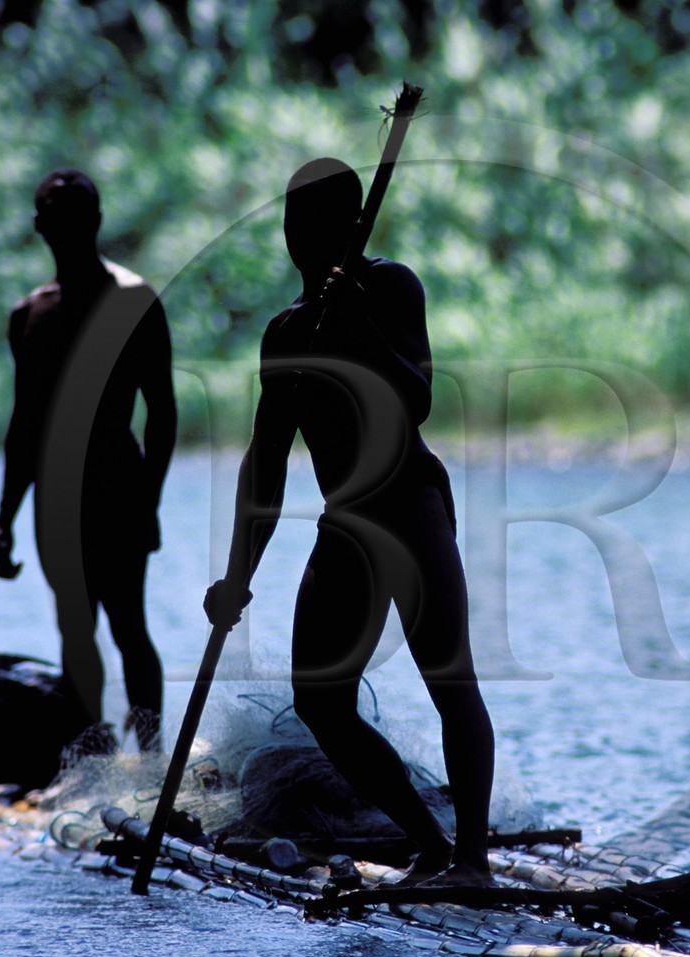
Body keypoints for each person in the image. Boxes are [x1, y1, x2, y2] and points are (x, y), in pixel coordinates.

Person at [204, 158, 495, 885]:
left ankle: (473, 861)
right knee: (322, 702)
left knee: (449, 677)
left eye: (316, 221)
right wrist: (236, 577)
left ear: (351, 224)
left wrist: (361, 327)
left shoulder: (392, 287)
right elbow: (265, 465)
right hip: (347, 521)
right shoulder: (286, 333)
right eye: (291, 220)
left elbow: (416, 398)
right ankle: (430, 842)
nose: (299, 235)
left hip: (411, 503)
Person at [0, 168, 176, 753]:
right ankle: (92, 755)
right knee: (75, 626)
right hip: (56, 494)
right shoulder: (29, 316)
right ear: (40, 226)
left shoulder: (134, 302)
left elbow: (162, 412)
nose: (66, 228)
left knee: (127, 626)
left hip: (119, 485)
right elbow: (25, 426)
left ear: (95, 222)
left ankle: (149, 754)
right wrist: (4, 520)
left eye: (78, 217)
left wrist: (149, 497)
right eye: (55, 217)